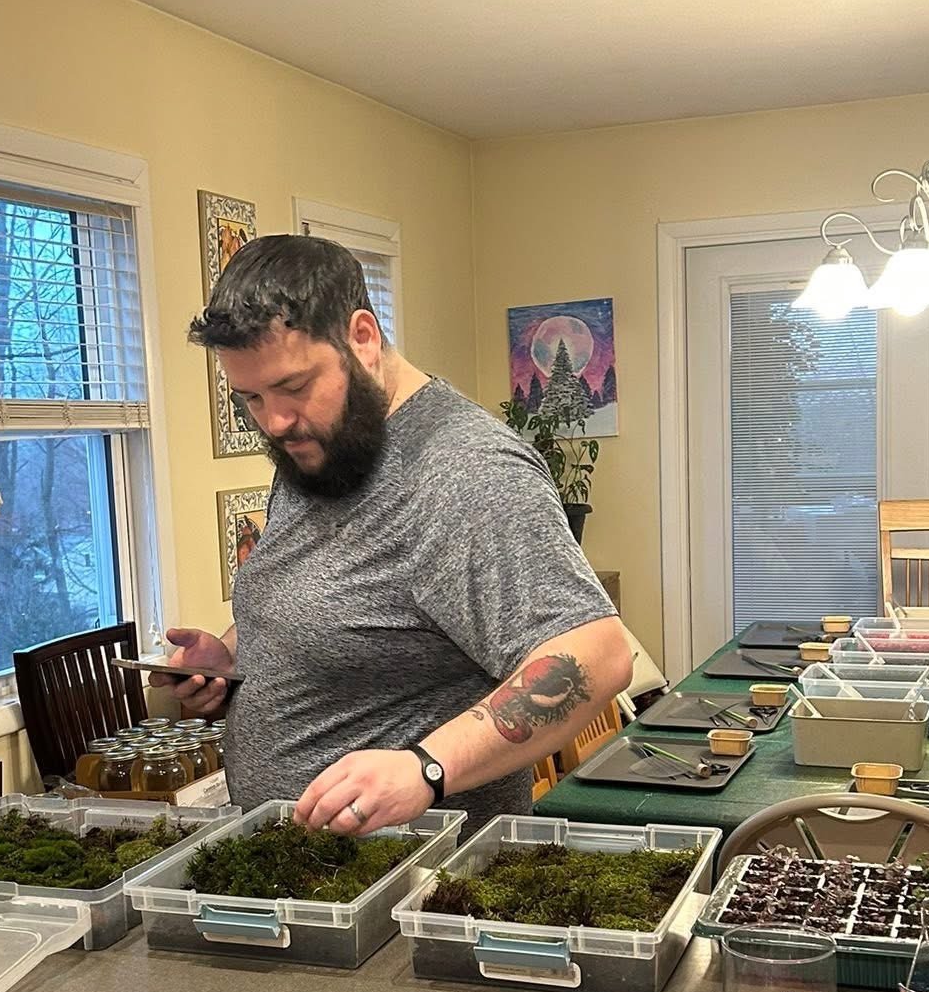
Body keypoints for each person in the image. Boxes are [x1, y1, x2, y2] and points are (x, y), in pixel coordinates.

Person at [154, 234, 631, 831]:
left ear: (362, 336)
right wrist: (233, 659)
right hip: (303, 873)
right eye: (250, 397)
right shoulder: (325, 446)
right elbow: (344, 607)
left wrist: (425, 768)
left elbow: (597, 656)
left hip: (421, 880)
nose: (274, 420)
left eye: (295, 387)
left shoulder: (463, 470)